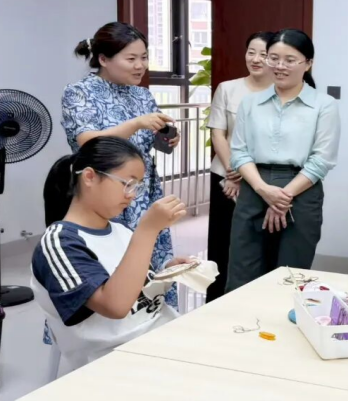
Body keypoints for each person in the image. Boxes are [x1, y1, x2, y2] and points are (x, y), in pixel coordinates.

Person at [33, 137, 189, 372]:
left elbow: (134, 288)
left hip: (160, 334)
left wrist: (166, 273)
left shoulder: (119, 230)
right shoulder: (59, 243)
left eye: (137, 187)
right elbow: (115, 306)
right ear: (89, 177)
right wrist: (148, 230)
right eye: (128, 184)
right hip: (115, 359)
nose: (132, 195)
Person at [61, 22, 181, 307]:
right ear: (103, 59)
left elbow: (149, 142)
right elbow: (87, 142)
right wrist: (136, 123)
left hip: (142, 191)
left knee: (152, 255)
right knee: (113, 266)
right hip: (103, 191)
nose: (140, 66)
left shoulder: (142, 94)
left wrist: (166, 138)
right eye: (131, 58)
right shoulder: (79, 92)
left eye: (144, 57)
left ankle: (156, 319)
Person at [226, 29, 341, 293]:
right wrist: (264, 190)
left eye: (290, 60)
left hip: (302, 191)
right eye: (274, 58)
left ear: (308, 63)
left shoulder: (324, 105)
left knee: (292, 274)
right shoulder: (250, 103)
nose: (280, 66)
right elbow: (239, 152)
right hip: (254, 187)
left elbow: (322, 160)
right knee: (242, 271)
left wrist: (282, 197)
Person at [205, 31, 274, 302]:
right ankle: (216, 302)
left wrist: (245, 172)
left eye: (263, 54)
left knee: (258, 244)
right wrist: (232, 170)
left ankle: (256, 301)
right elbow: (218, 133)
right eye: (251, 52)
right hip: (225, 176)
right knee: (222, 243)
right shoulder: (227, 88)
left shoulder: (280, 92)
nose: (255, 59)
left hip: (262, 179)